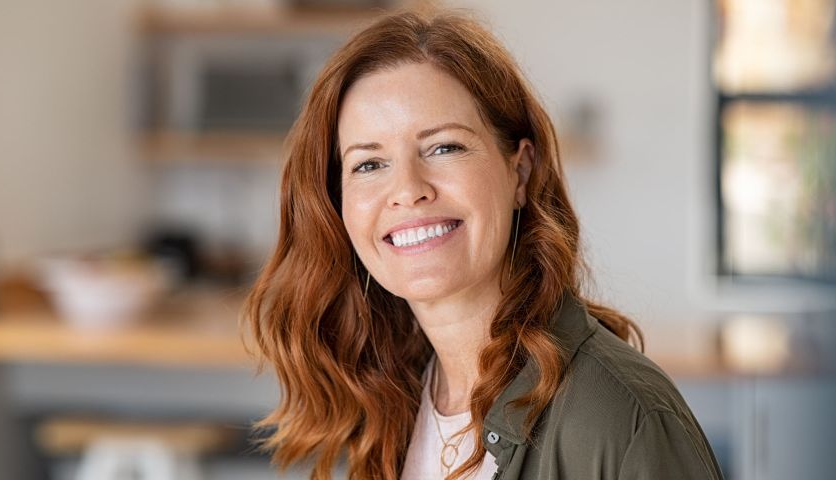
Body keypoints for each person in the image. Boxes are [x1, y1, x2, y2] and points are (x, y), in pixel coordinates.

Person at [243, 9, 724, 480]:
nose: (408, 189)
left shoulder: (622, 419)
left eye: (444, 147)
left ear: (520, 171)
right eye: (369, 164)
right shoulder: (389, 398)